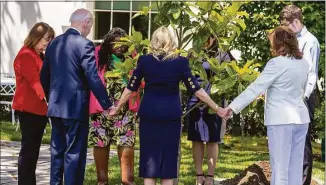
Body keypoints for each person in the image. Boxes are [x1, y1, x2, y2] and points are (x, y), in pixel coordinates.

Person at [109, 26, 227, 185]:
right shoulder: (180, 62)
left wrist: (117, 107)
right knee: (168, 165)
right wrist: (216, 107)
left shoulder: (144, 60)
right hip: (171, 115)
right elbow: (196, 90)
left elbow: (131, 87)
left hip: (149, 115)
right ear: (171, 41)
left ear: (154, 41)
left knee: (149, 163)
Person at [224, 26, 310, 185]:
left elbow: (255, 88)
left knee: (280, 169)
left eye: (273, 43)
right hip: (301, 119)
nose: (272, 47)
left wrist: (232, 107)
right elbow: (296, 89)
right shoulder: (304, 63)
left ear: (280, 44)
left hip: (281, 120)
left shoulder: (276, 63)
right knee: (295, 168)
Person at [40, 9, 113, 185]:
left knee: (57, 152)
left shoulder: (54, 43)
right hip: (75, 107)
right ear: (86, 23)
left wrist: (51, 96)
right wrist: (107, 104)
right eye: (90, 26)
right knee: (74, 153)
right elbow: (92, 77)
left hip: (56, 106)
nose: (89, 30)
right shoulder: (84, 44)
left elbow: (44, 76)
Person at [89, 27, 136, 185]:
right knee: (101, 142)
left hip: (125, 109)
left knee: (126, 142)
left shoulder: (132, 57)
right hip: (102, 109)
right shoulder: (97, 55)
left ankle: (127, 180)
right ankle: (102, 181)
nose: (120, 47)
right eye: (116, 43)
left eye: (123, 44)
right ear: (108, 43)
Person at [279, 5, 321, 185]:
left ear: (295, 22)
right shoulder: (292, 40)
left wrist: (301, 97)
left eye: (285, 25)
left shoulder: (310, 41)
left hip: (303, 96)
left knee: (301, 142)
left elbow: (311, 74)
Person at [186, 36, 234, 185]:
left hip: (215, 102)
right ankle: (199, 176)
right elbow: (186, 74)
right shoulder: (194, 53)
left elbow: (231, 74)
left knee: (213, 140)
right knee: (197, 139)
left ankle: (210, 177)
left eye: (210, 36)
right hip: (196, 101)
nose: (207, 39)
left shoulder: (223, 54)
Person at [12, 22, 55, 185]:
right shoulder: (26, 55)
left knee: (33, 152)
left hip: (39, 111)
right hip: (29, 110)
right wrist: (49, 100)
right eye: (46, 39)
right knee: (28, 152)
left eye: (50, 39)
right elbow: (35, 82)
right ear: (35, 37)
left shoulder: (39, 54)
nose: (47, 43)